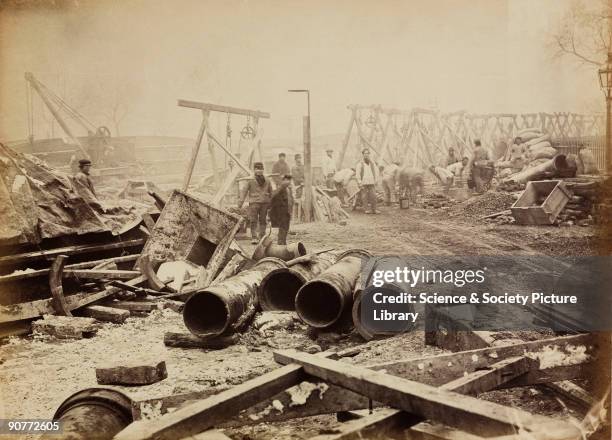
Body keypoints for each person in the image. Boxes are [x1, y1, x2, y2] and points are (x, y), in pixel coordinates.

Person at [238, 162, 273, 244]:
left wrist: (272, 203)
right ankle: (254, 237)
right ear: (254, 170)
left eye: (261, 169)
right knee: (253, 220)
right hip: (254, 203)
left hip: (264, 203)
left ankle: (262, 237)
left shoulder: (267, 180)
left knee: (263, 220)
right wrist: (240, 203)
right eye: (257, 169)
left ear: (263, 170)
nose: (259, 171)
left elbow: (271, 192)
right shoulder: (250, 180)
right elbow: (244, 191)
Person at [269, 174, 293, 245]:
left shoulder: (288, 189)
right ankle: (281, 243)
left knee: (286, 228)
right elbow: (273, 199)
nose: (288, 182)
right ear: (283, 181)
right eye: (286, 180)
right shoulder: (280, 189)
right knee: (283, 228)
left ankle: (283, 242)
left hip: (287, 212)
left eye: (289, 180)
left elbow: (290, 200)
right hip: (281, 212)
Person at [355, 148, 380, 214]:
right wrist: (359, 182)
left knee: (373, 196)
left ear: (369, 154)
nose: (366, 155)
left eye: (367, 154)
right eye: (365, 154)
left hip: (371, 182)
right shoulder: (360, 164)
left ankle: (374, 209)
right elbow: (357, 174)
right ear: (363, 155)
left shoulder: (372, 163)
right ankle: (366, 209)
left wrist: (376, 180)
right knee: (364, 196)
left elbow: (376, 172)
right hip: (364, 182)